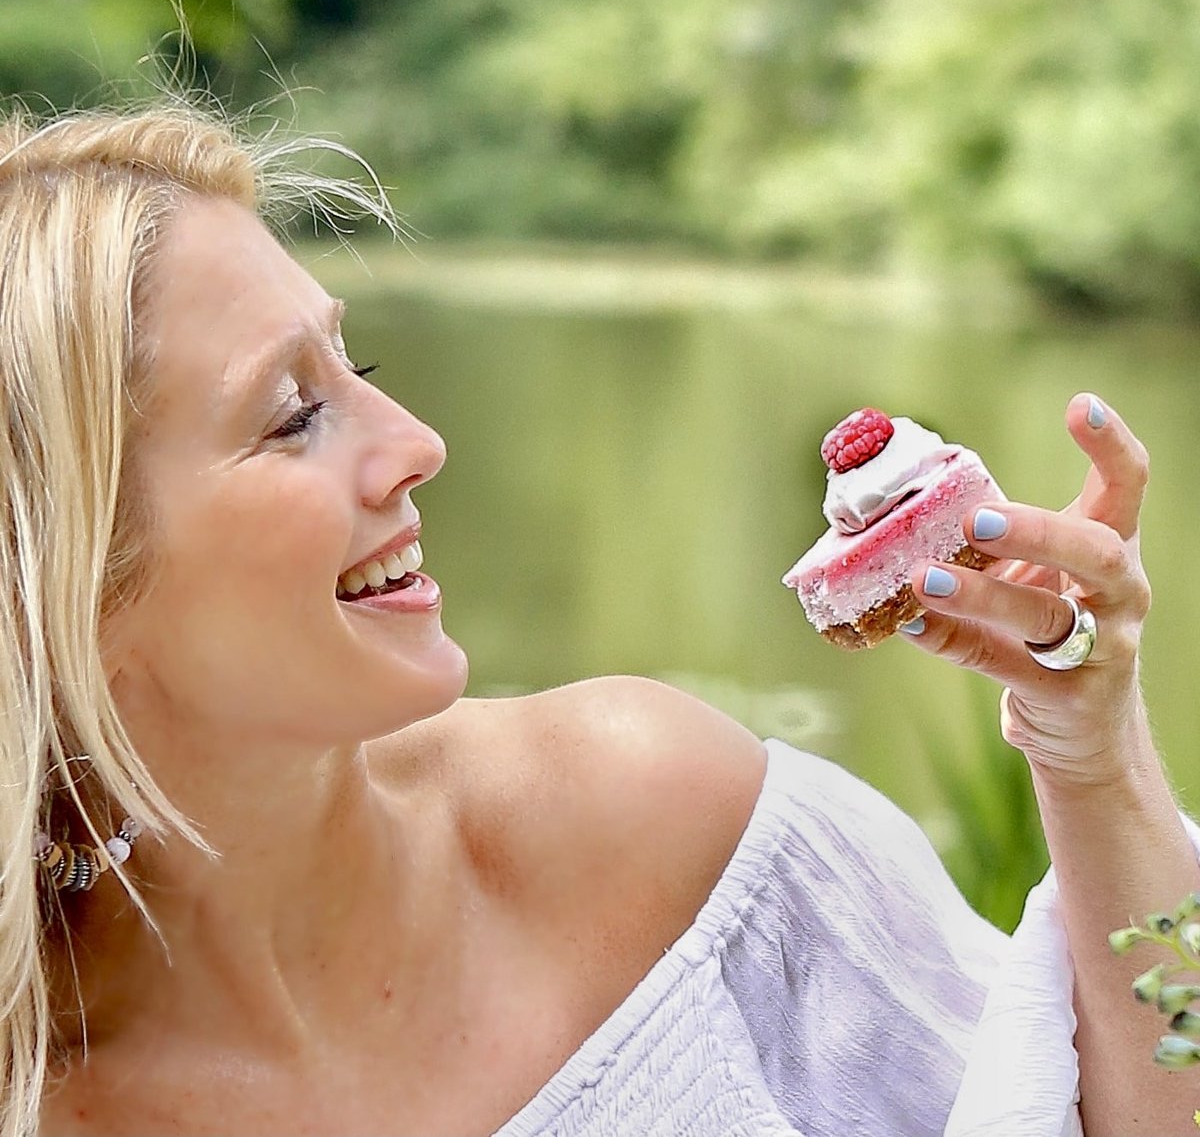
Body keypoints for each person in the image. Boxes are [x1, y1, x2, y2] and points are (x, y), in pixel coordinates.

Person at [0, 102, 1194, 1137]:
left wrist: (1091, 759)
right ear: (69, 577)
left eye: (354, 365)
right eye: (292, 412)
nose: (418, 444)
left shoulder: (668, 829)